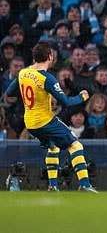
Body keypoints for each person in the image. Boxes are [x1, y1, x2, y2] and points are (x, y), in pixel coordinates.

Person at [3, 41, 97, 192]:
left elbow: (9, 92)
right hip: (45, 121)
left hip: (30, 124)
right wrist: (81, 97)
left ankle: (53, 185)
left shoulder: (23, 73)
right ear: (50, 57)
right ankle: (85, 185)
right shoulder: (47, 78)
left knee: (53, 148)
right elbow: (65, 102)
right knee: (75, 145)